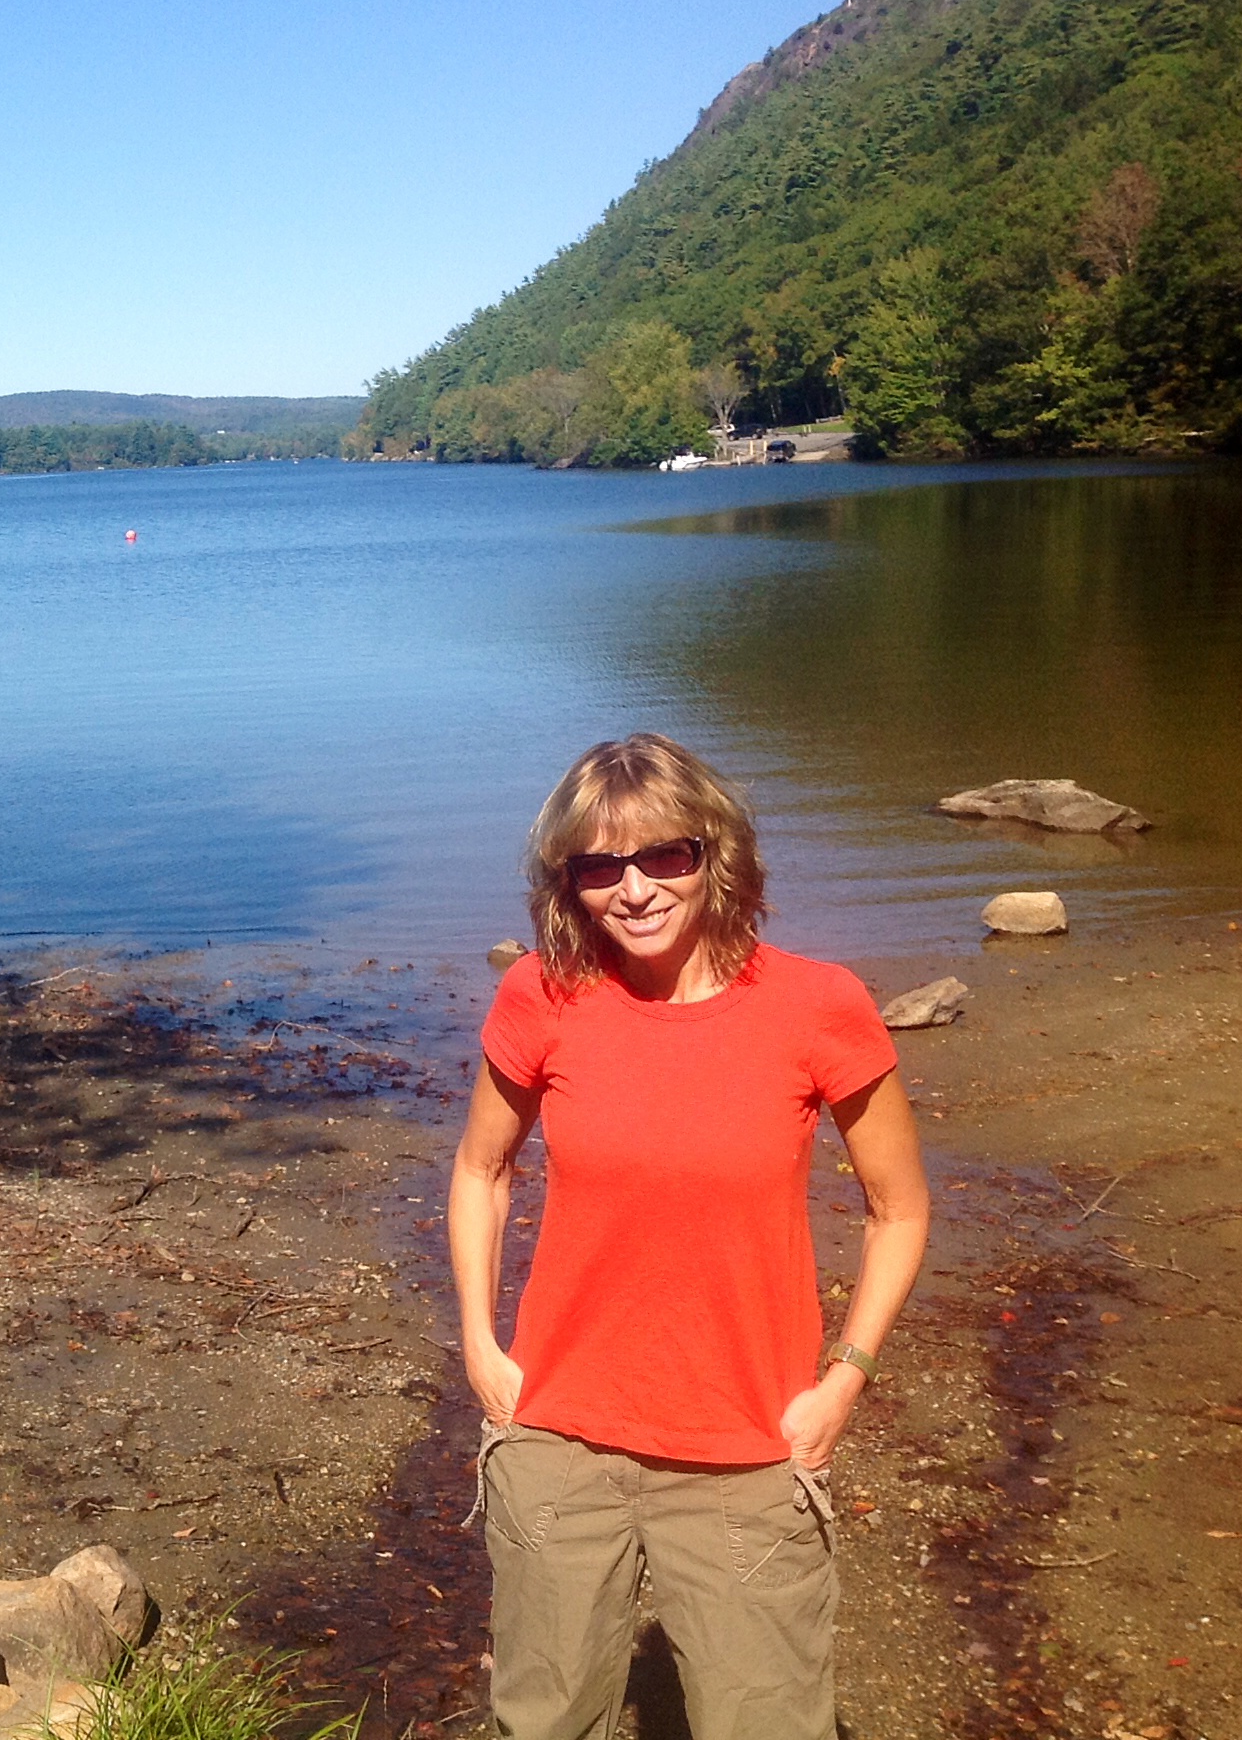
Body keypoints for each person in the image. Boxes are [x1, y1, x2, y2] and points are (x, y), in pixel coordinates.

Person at [448, 733, 929, 1740]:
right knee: (542, 1720)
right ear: (567, 881)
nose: (635, 888)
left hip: (747, 1444)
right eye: (599, 865)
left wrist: (845, 1375)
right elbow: (480, 1170)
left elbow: (899, 1209)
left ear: (719, 852)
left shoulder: (818, 1004)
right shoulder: (541, 994)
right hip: (558, 1439)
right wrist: (482, 1345)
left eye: (666, 854)